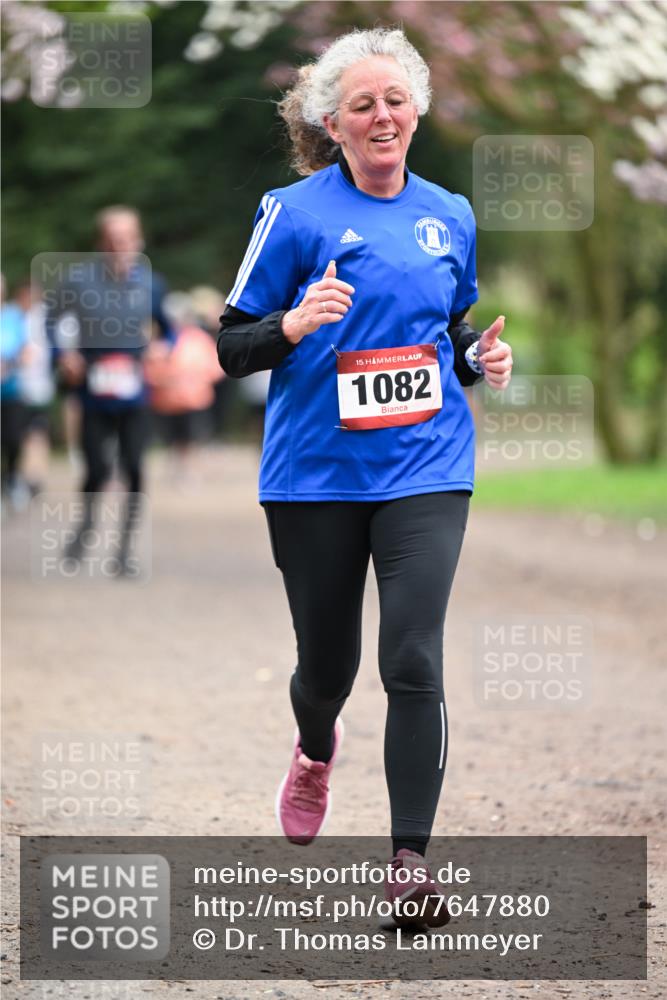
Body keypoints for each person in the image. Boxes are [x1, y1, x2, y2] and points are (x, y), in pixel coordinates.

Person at [217, 28, 513, 927]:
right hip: (313, 474)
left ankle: (409, 865)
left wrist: (478, 356)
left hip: (426, 462)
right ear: (332, 124)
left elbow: (448, 331)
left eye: (394, 100)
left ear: (415, 110)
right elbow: (231, 347)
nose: (381, 116)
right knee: (328, 670)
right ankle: (313, 749)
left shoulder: (449, 212)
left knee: (413, 656)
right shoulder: (293, 213)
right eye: (361, 105)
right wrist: (295, 324)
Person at [50, 206, 174, 575]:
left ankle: (124, 549)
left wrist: (162, 347)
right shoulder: (78, 281)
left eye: (127, 238)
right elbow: (52, 320)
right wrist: (63, 355)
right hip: (93, 389)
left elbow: (167, 328)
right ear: (101, 242)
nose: (120, 245)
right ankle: (84, 530)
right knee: (97, 468)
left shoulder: (152, 284)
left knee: (135, 466)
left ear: (138, 240)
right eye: (113, 239)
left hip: (135, 391)